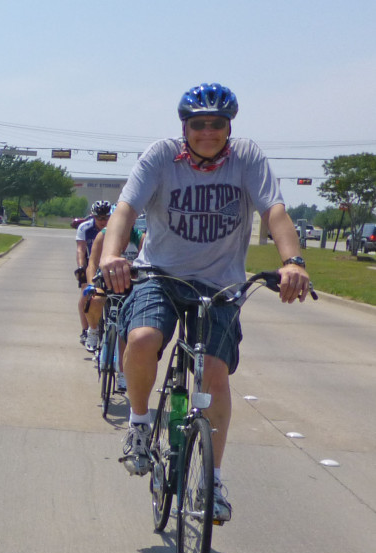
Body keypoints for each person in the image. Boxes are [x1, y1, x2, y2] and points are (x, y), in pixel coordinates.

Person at [99, 83, 311, 522]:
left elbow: (275, 212)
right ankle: (139, 425)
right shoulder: (160, 156)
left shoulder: (247, 158)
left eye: (218, 124)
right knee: (141, 338)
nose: (208, 132)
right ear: (185, 127)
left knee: (213, 374)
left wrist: (292, 261)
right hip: (161, 274)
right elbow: (125, 210)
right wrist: (111, 256)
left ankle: (211, 482)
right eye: (199, 124)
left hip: (220, 286)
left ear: (229, 127)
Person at [84, 217, 144, 392]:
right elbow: (92, 262)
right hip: (105, 280)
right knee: (96, 299)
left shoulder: (140, 237)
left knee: (125, 329)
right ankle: (93, 331)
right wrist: (90, 284)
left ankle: (123, 374)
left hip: (130, 284)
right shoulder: (103, 236)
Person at [75, 201, 111, 350]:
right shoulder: (85, 227)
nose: (102, 221)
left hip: (109, 263)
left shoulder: (114, 228)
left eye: (105, 217)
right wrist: (81, 267)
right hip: (92, 264)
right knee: (86, 294)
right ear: (93, 216)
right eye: (99, 218)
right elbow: (80, 250)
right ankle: (86, 330)